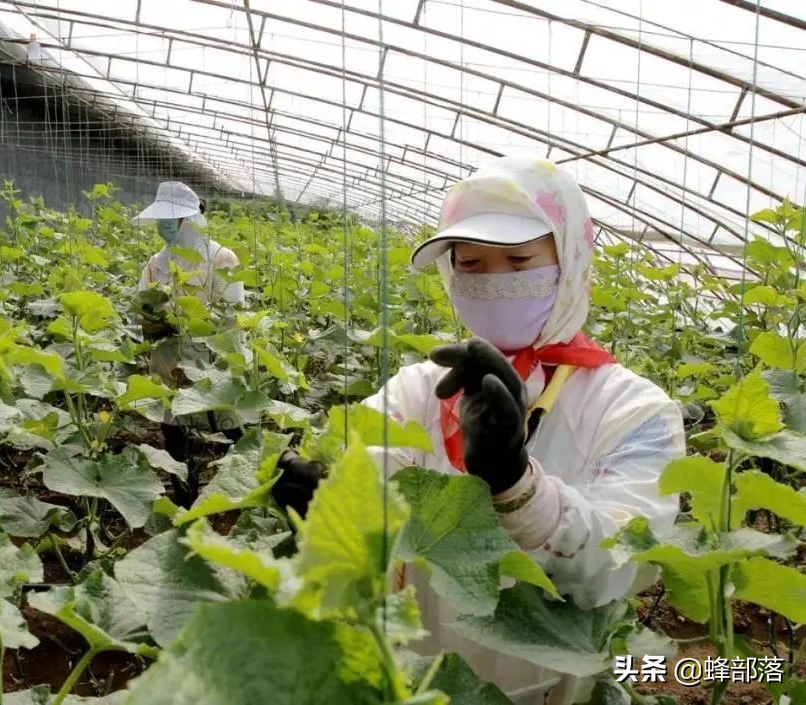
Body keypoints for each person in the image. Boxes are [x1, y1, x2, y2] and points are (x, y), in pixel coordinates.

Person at [271, 156, 686, 704]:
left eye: (519, 261)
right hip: (415, 681)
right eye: (470, 263)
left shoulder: (634, 410)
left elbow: (618, 565)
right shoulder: (419, 388)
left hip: (543, 689)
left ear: (570, 259)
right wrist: (323, 494)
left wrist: (517, 486)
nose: (494, 281)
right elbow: (364, 470)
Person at [132, 181, 245, 506]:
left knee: (231, 429)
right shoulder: (155, 265)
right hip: (169, 364)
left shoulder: (222, 258)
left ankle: (247, 489)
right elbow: (141, 312)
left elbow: (231, 315)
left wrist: (187, 318)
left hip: (213, 365)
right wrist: (155, 319)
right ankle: (185, 502)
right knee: (174, 437)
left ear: (189, 220)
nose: (164, 226)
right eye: (161, 220)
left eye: (171, 220)